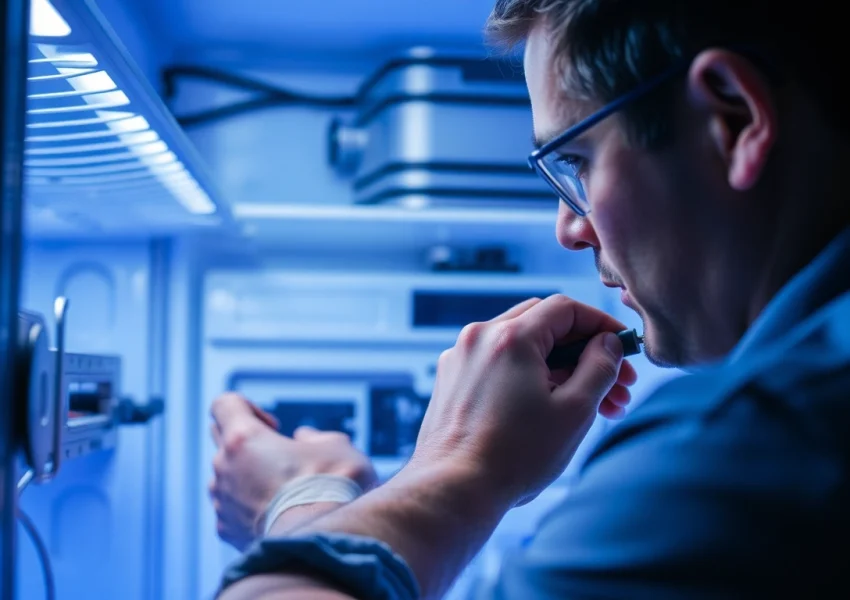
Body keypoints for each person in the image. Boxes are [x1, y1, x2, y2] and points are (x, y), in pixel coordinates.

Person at [209, 0, 850, 597]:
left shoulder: (751, 450)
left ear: (732, 118)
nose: (569, 229)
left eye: (577, 159)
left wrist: (332, 494)